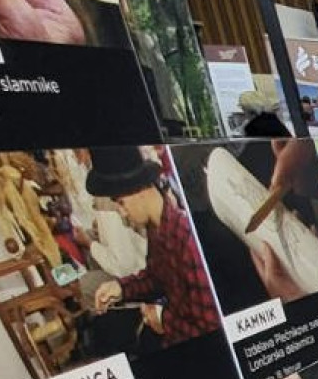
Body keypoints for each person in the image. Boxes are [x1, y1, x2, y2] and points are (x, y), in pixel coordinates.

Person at [84, 147, 221, 346]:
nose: (122, 213)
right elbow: (157, 277)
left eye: (122, 203)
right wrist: (121, 288)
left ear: (140, 190)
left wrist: (163, 320)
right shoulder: (157, 228)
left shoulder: (186, 238)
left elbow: (211, 326)